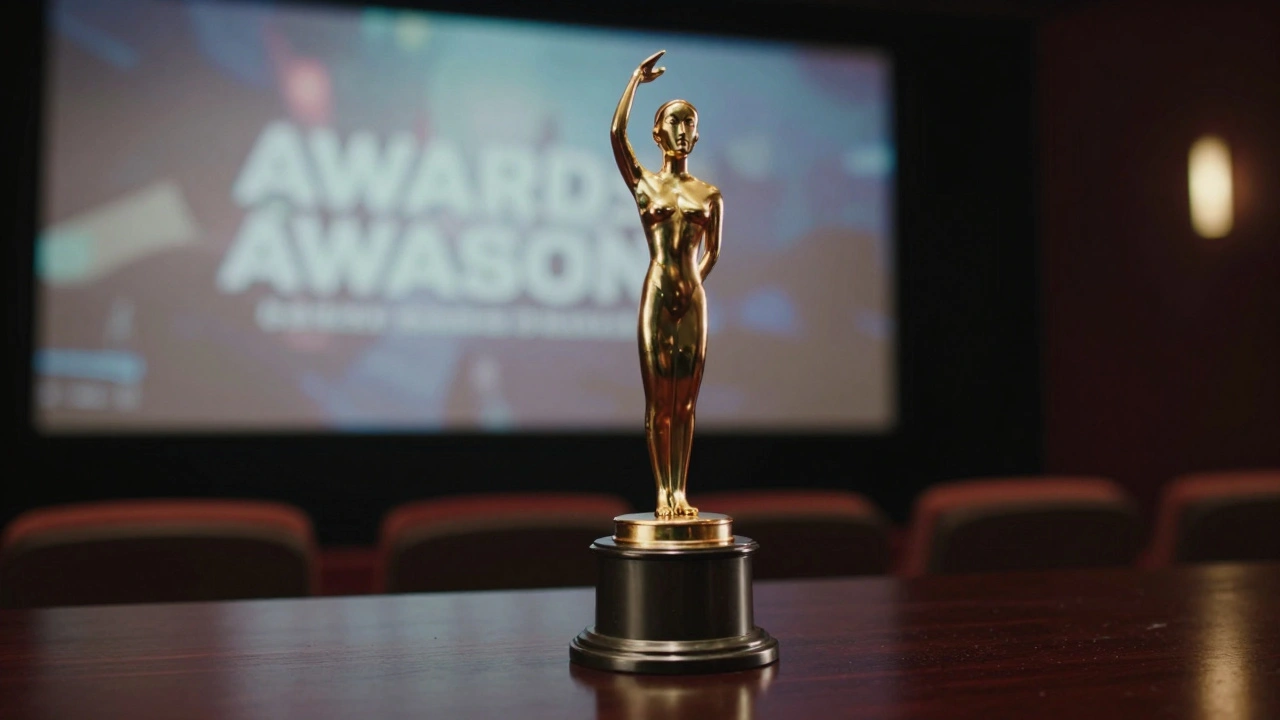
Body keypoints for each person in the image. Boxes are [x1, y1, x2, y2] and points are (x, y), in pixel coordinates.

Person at [611, 51, 722, 518]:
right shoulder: (647, 186)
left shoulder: (708, 194)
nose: (681, 130)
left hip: (691, 299)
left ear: (696, 134)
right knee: (660, 400)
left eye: (688, 123)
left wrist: (693, 284)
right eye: (672, 122)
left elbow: (712, 251)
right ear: (658, 133)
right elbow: (617, 136)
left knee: (687, 402)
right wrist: (636, 80)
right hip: (657, 293)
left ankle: (682, 491)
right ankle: (664, 492)